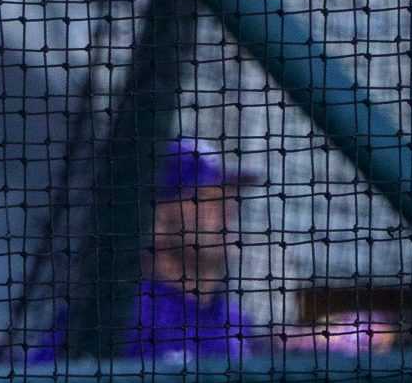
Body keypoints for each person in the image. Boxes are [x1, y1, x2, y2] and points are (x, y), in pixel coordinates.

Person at [37, 138, 262, 360]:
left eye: (230, 195)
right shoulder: (114, 315)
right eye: (205, 198)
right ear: (155, 221)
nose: (228, 208)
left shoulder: (233, 319)